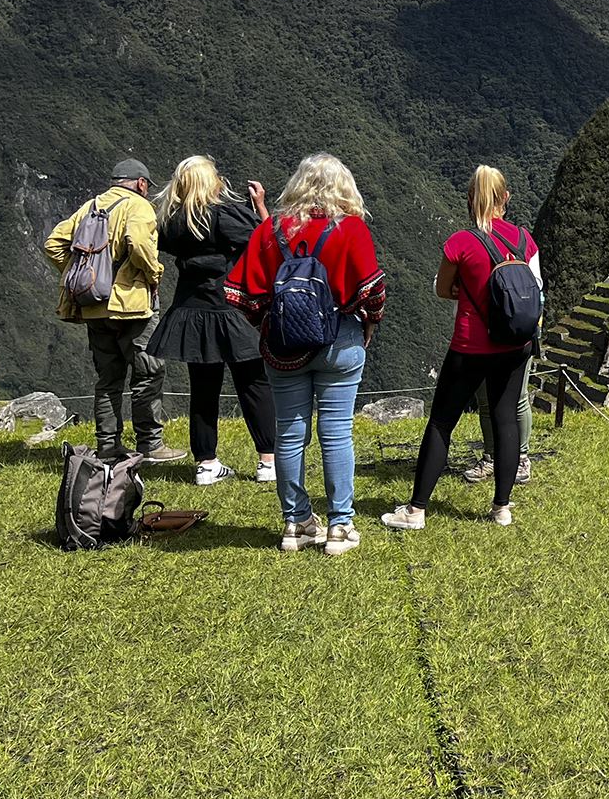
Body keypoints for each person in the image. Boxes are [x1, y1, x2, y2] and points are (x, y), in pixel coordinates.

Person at [226, 153, 385, 555]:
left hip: (283, 350)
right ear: (343, 187)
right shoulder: (351, 229)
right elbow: (373, 290)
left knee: (290, 434)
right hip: (340, 341)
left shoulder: (270, 229)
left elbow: (239, 294)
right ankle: (339, 526)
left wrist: (266, 323)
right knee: (335, 432)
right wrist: (368, 324)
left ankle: (295, 524)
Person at [383, 165, 539, 532]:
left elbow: (442, 288)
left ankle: (417, 509)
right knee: (505, 420)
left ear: (470, 199)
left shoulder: (461, 242)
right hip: (516, 344)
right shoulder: (523, 239)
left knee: (441, 422)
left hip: (471, 345)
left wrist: (464, 287)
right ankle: (501, 507)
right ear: (506, 198)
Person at [147, 155, 276, 485]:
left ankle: (206, 463)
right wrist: (259, 205)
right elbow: (267, 243)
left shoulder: (172, 220)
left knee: (203, 389)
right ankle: (268, 460)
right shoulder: (223, 215)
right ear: (210, 181)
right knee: (253, 383)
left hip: (191, 310)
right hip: (229, 307)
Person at [43, 158, 182, 463]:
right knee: (147, 373)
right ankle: (150, 444)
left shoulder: (90, 206)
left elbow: (53, 243)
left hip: (94, 304)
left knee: (108, 378)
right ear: (141, 184)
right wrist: (154, 273)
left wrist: (84, 275)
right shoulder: (139, 206)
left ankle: (108, 446)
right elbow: (138, 242)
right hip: (132, 306)